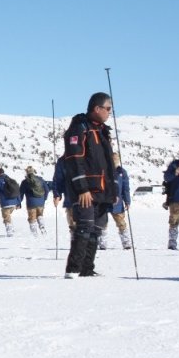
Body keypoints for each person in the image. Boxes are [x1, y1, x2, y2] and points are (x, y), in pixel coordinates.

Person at [62, 92, 116, 278]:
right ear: (97, 108)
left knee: (97, 229)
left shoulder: (103, 131)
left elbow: (109, 165)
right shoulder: (79, 128)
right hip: (86, 190)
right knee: (84, 227)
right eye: (108, 108)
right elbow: (74, 159)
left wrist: (113, 190)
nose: (110, 112)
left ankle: (87, 268)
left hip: (103, 190)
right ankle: (73, 269)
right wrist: (82, 188)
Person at [100, 153, 132, 250]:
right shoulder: (104, 170)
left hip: (117, 204)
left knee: (121, 223)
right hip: (104, 201)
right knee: (103, 223)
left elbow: (126, 188)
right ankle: (102, 243)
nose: (115, 160)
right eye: (113, 158)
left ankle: (126, 243)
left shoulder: (122, 172)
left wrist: (127, 201)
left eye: (116, 158)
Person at [19, 166, 50, 236]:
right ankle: (42, 226)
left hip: (31, 203)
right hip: (41, 202)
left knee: (32, 218)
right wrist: (44, 198)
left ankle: (34, 233)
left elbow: (21, 193)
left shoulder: (25, 182)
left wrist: (19, 202)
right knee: (40, 215)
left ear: (27, 172)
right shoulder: (40, 179)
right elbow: (47, 190)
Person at [0, 167, 21, 237]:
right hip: (14, 203)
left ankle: (10, 232)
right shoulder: (12, 180)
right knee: (8, 215)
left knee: (6, 217)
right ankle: (12, 228)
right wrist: (19, 202)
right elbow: (18, 191)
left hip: (5, 203)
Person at [52, 155, 76, 234]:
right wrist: (57, 194)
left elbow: (57, 180)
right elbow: (58, 180)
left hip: (72, 199)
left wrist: (57, 194)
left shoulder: (63, 160)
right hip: (74, 200)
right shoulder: (62, 161)